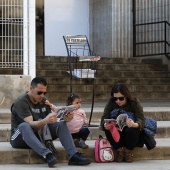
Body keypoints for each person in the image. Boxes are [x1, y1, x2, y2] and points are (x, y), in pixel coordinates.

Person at [10, 77, 91, 167]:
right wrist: (45, 121)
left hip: (39, 135)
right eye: (39, 92)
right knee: (24, 126)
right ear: (31, 89)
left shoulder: (43, 100)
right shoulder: (22, 101)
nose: (42, 95)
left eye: (44, 93)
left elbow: (51, 120)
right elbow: (31, 124)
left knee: (61, 124)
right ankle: (47, 155)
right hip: (19, 137)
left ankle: (73, 155)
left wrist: (65, 119)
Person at [100, 82, 145, 163]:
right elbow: (104, 118)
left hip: (131, 137)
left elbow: (141, 120)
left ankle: (128, 152)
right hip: (116, 135)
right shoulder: (111, 102)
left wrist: (134, 124)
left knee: (132, 129)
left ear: (126, 96)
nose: (118, 101)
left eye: (121, 98)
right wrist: (105, 125)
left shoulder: (134, 102)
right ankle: (119, 151)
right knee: (108, 128)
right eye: (115, 98)